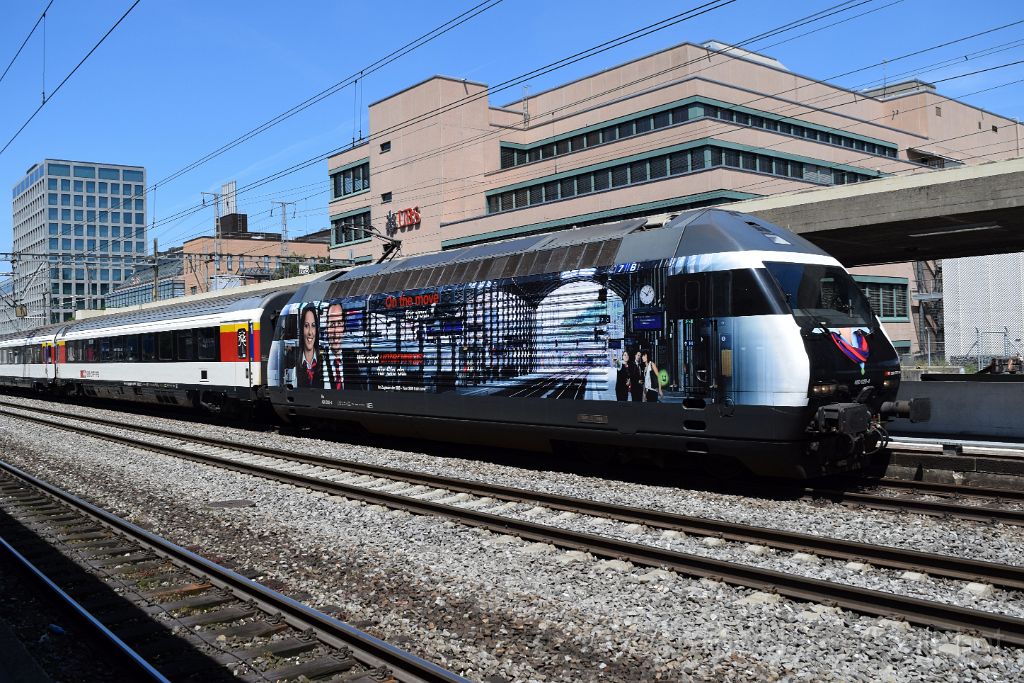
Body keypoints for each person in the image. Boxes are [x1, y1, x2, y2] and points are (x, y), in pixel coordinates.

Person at [295, 303, 322, 388]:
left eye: (313, 326)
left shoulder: (324, 360)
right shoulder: (293, 362)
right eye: (306, 326)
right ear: (301, 329)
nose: (310, 332)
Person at [323, 302, 346, 390]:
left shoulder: (353, 361)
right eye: (332, 325)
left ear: (344, 327)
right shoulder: (319, 364)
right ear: (327, 327)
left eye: (339, 324)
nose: (336, 331)